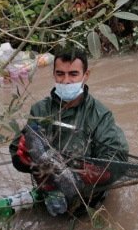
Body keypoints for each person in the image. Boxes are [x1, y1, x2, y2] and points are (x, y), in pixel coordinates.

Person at [9, 48, 129, 215]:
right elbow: (17, 153)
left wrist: (88, 173)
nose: (65, 81)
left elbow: (117, 159)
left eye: (73, 74)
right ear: (53, 74)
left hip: (88, 200)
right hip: (50, 194)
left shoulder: (100, 114)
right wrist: (23, 157)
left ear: (85, 75)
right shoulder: (39, 110)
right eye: (60, 74)